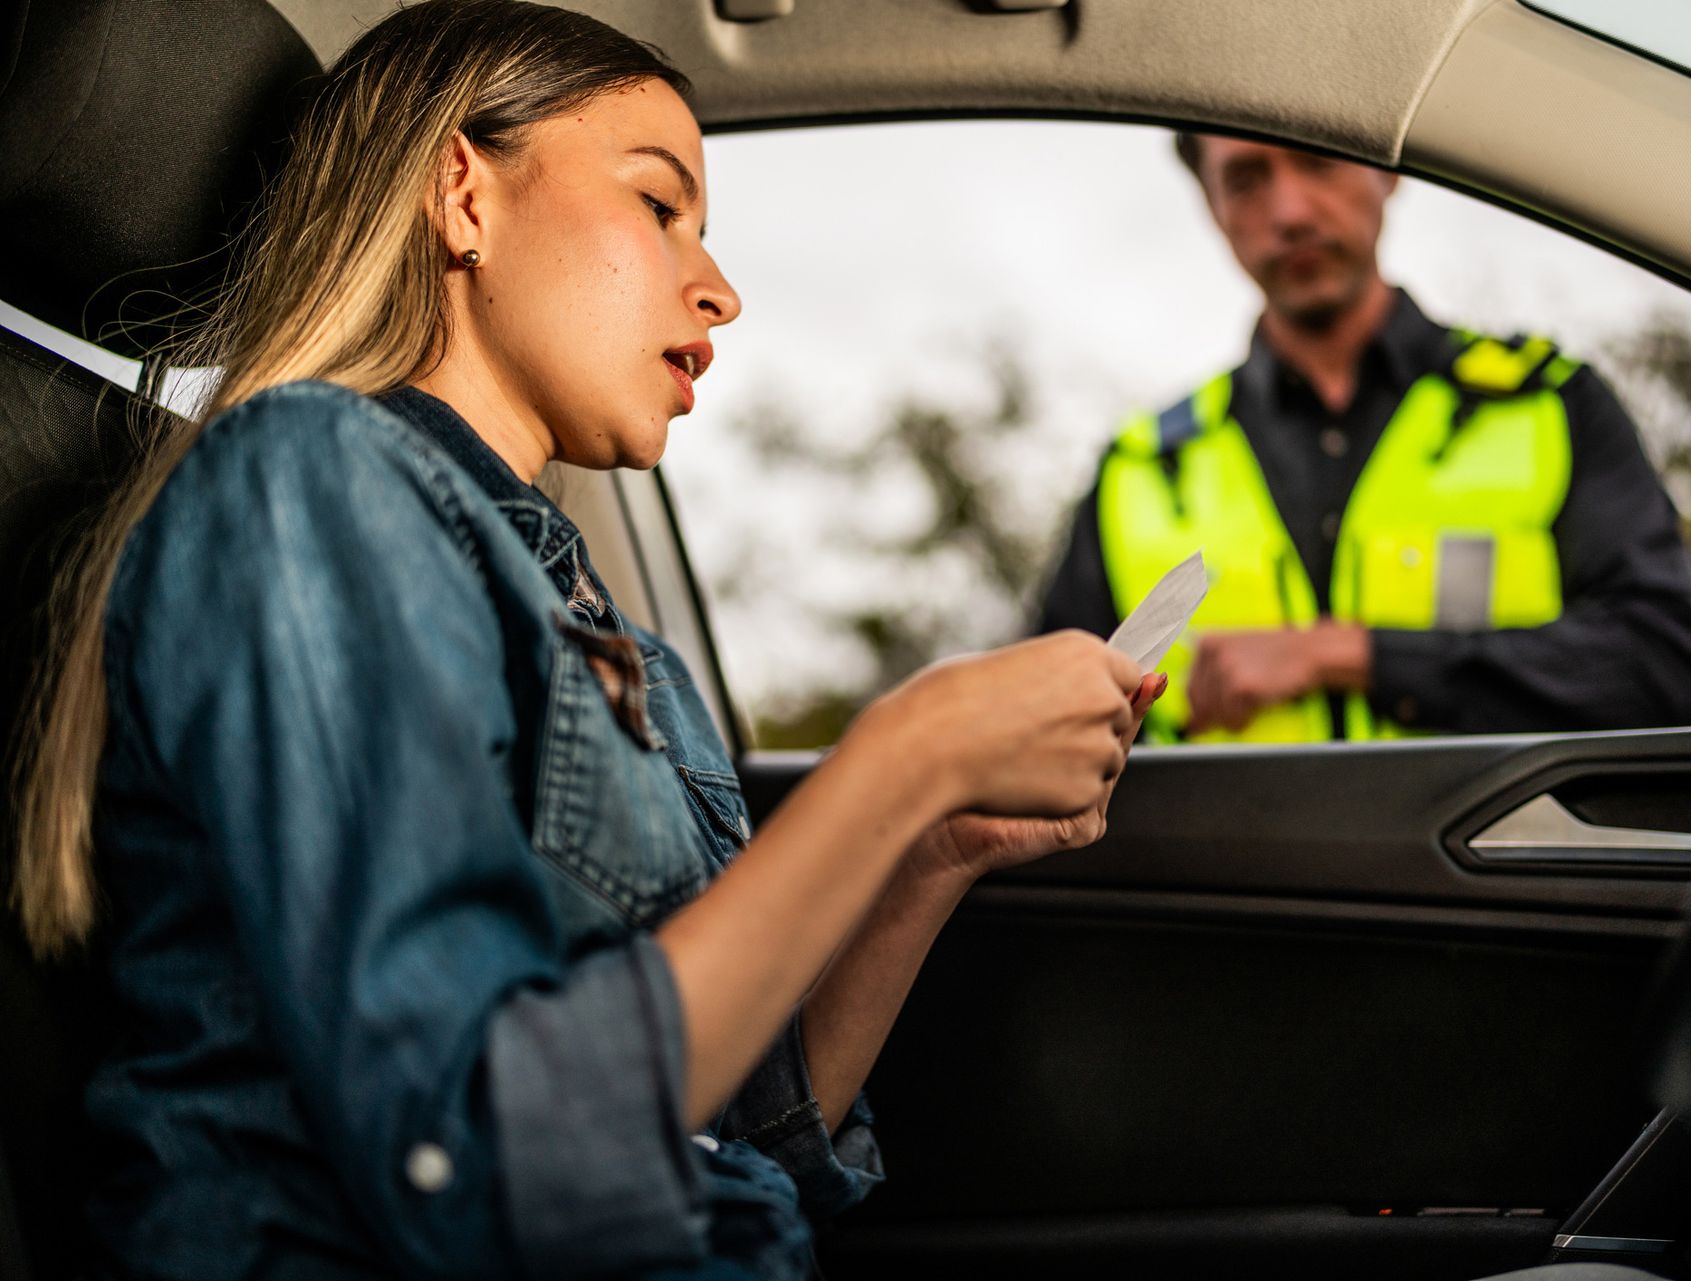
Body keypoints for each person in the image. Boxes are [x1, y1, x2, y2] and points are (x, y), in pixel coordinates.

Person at [7, 4, 1165, 1278]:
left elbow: (745, 1144)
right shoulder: (306, 481)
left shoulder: (620, 646)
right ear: (463, 193)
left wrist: (936, 846)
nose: (718, 287)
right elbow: (482, 1158)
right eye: (660, 205)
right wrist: (908, 756)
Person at [1038, 134, 1691, 743]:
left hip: (1506, 880)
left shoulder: (1550, 403)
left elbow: (1659, 670)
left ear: (1389, 170)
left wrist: (1345, 654)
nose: (1291, 210)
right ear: (1211, 206)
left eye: (1318, 159)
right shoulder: (1139, 469)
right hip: (1222, 879)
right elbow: (1043, 731)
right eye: (1245, 179)